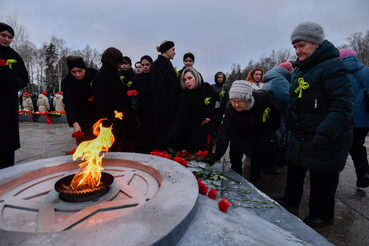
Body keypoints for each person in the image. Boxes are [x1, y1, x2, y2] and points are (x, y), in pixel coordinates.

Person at [276, 22, 354, 228]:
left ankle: (323, 214)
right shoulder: (301, 69)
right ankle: (291, 198)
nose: (297, 50)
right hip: (301, 132)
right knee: (295, 166)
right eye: (295, 47)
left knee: (322, 175)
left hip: (323, 134)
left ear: (316, 44)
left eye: (301, 45)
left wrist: (326, 132)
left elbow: (342, 105)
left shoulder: (332, 66)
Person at [207, 80, 281, 185]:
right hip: (239, 132)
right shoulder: (230, 109)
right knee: (235, 157)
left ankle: (254, 181)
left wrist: (270, 132)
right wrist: (219, 152)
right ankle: (236, 179)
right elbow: (224, 130)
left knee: (257, 158)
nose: (236, 105)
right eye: (233, 101)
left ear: (248, 99)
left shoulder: (263, 98)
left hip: (260, 132)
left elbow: (276, 114)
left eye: (240, 101)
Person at [163, 67, 217, 153]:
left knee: (206, 155)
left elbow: (214, 101)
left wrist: (209, 116)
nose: (187, 82)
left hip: (206, 128)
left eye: (189, 78)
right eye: (184, 80)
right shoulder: (184, 96)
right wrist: (170, 136)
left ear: (196, 77)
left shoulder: (206, 87)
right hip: (192, 131)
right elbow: (180, 117)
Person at [92, 47, 135, 152]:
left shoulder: (114, 72)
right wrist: (107, 120)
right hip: (110, 120)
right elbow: (101, 101)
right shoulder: (102, 75)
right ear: (113, 60)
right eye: (119, 61)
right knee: (112, 148)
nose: (120, 64)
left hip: (118, 118)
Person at [0, 22, 29, 168]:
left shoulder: (14, 56)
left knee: (7, 144)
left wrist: (14, 81)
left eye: (10, 37)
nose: (7, 39)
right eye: (3, 35)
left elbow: (24, 78)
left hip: (8, 105)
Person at [339, 48, 369, 188]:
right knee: (358, 146)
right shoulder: (367, 72)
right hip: (364, 120)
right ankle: (364, 174)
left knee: (339, 147)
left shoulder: (340, 74)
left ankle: (331, 176)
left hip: (344, 118)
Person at [261, 62, 292, 173]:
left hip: (269, 116)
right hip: (278, 116)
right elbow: (285, 101)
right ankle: (270, 166)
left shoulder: (270, 79)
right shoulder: (280, 80)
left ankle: (267, 164)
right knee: (276, 141)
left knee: (270, 140)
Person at [150, 40, 182, 149]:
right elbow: (159, 90)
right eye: (173, 50)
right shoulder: (158, 65)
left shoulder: (167, 63)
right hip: (163, 112)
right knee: (162, 141)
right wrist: (163, 111)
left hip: (170, 110)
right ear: (166, 50)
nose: (175, 53)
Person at [62, 56, 98, 145]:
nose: (77, 75)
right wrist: (75, 124)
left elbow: (104, 90)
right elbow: (69, 103)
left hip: (97, 112)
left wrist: (96, 95)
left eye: (80, 71)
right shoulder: (67, 82)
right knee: (84, 144)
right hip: (81, 114)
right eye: (73, 72)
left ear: (84, 68)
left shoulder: (94, 74)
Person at [131, 55, 154, 154]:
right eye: (143, 65)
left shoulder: (155, 77)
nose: (145, 67)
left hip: (154, 111)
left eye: (147, 65)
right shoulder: (138, 79)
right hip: (143, 113)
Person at [211, 71, 229, 136]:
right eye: (218, 77)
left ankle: (217, 136)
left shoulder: (225, 87)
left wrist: (226, 107)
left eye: (221, 77)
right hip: (214, 108)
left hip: (221, 108)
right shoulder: (212, 87)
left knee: (219, 123)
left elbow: (227, 98)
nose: (220, 79)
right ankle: (213, 135)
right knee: (214, 122)